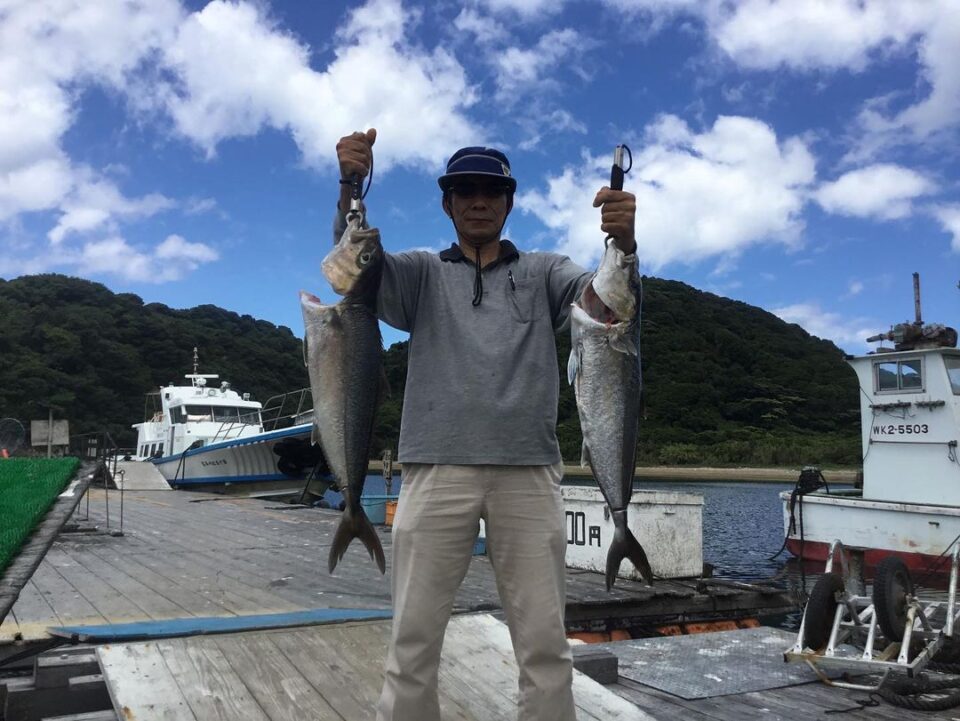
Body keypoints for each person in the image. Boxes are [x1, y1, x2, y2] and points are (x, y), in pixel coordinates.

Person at [335, 128, 637, 721]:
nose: (478, 200)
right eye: (464, 190)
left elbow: (609, 304)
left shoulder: (549, 271)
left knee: (546, 647)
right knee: (412, 642)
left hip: (529, 474)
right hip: (434, 470)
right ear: (447, 203)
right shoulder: (419, 273)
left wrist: (624, 245)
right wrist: (349, 186)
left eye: (491, 190)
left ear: (509, 201)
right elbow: (354, 271)